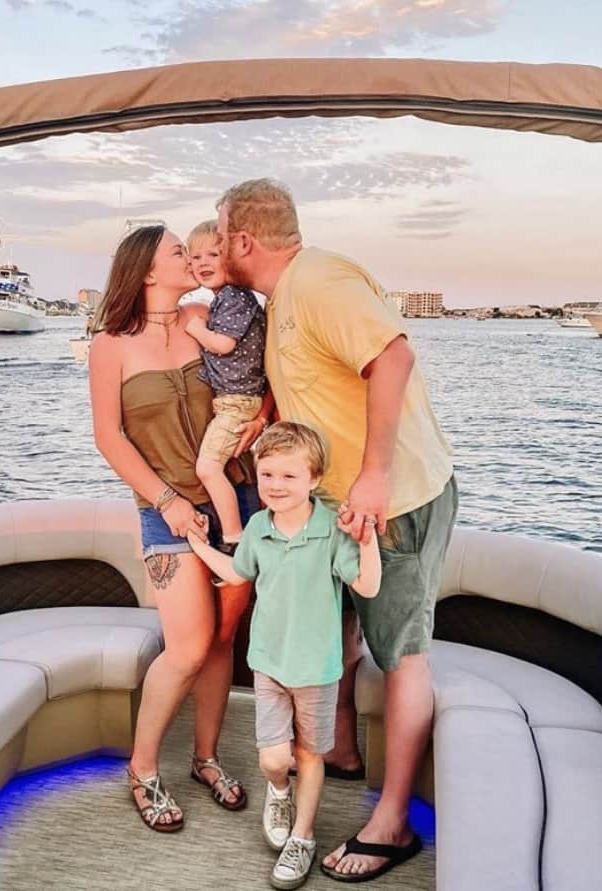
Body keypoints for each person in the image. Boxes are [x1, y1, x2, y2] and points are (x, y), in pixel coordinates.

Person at [216, 179, 457, 883]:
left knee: (402, 655)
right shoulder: (284, 295)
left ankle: (393, 823)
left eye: (218, 231)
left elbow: (393, 357)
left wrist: (374, 475)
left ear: (241, 241)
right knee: (342, 633)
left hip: (393, 501)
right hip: (334, 508)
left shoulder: (317, 278)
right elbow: (317, 382)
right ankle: (344, 752)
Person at [89, 224, 270, 833]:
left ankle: (205, 758)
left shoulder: (208, 317)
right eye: (176, 252)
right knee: (188, 646)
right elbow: (108, 438)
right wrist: (165, 499)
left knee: (222, 642)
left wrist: (262, 419)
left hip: (236, 502)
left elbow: (255, 381)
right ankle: (142, 770)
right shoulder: (110, 342)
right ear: (145, 270)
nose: (191, 260)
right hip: (166, 510)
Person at [187, 421, 381, 890]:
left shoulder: (331, 530)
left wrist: (369, 538)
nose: (275, 485)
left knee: (310, 755)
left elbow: (368, 586)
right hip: (269, 664)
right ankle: (279, 792)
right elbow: (236, 574)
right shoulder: (257, 527)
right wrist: (195, 543)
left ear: (313, 479)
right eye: (267, 474)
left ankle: (303, 836)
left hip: (316, 669)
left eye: (289, 477)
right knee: (275, 759)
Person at [184, 220, 268, 557]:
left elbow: (223, 344)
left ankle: (233, 538)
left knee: (207, 467)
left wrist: (196, 329)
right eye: (195, 257)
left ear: (231, 258)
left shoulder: (234, 296)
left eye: (213, 254)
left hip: (238, 403)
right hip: (234, 401)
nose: (203, 263)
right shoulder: (226, 298)